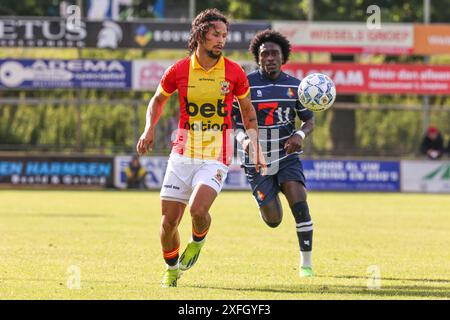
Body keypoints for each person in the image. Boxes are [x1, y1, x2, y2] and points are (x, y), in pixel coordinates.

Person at [136, 8, 266, 288]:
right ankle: (172, 269)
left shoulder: (233, 72)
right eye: (216, 34)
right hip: (182, 153)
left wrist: (255, 146)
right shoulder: (179, 70)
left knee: (197, 210)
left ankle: (198, 241)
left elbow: (247, 111)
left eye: (224, 35)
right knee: (168, 222)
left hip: (216, 155)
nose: (221, 40)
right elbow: (158, 100)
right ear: (199, 35)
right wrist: (149, 127)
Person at [233, 29, 315, 277]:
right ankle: (265, 200)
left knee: (299, 201)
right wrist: (244, 140)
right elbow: (233, 125)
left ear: (283, 57)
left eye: (274, 53)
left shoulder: (296, 86)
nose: (269, 57)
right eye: (264, 54)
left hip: (287, 154)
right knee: (274, 220)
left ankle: (306, 265)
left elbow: (309, 121)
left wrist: (299, 135)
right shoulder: (244, 85)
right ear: (258, 58)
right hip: (256, 158)